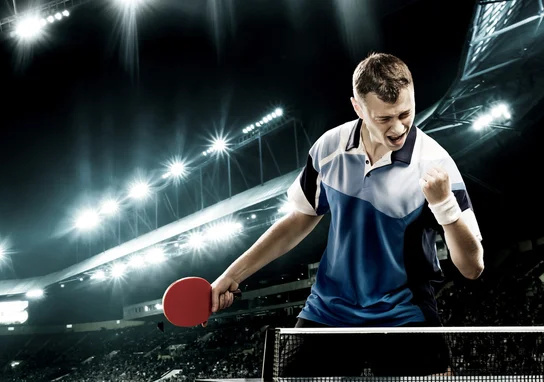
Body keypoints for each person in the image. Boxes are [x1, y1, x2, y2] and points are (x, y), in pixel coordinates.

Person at [206, 52, 484, 376]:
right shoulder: (329, 148)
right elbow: (298, 219)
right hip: (328, 310)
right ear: (358, 108)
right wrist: (232, 275)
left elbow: (472, 267)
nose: (398, 128)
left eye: (405, 113)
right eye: (384, 119)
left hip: (404, 316)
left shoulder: (436, 163)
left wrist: (444, 205)